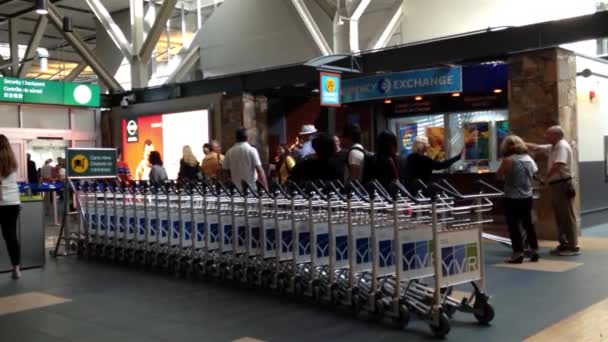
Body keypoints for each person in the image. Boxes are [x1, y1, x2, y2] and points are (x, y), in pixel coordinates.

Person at [526, 126, 578, 256]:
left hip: (562, 184)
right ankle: (564, 244)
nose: (546, 136)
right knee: (560, 216)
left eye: (548, 134)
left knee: (566, 215)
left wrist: (545, 178)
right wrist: (520, 142)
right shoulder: (553, 146)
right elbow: (537, 147)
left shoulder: (561, 146)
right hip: (557, 185)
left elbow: (558, 164)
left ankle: (572, 246)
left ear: (556, 135)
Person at [497, 135, 539, 264]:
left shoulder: (508, 160)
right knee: (528, 225)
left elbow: (498, 176)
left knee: (514, 226)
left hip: (512, 197)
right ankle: (534, 250)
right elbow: (534, 173)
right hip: (527, 196)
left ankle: (518, 253)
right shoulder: (529, 159)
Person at [0, 135, 22, 279]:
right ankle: (16, 269)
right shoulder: (13, 162)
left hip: (1, 202)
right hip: (13, 203)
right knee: (11, 236)